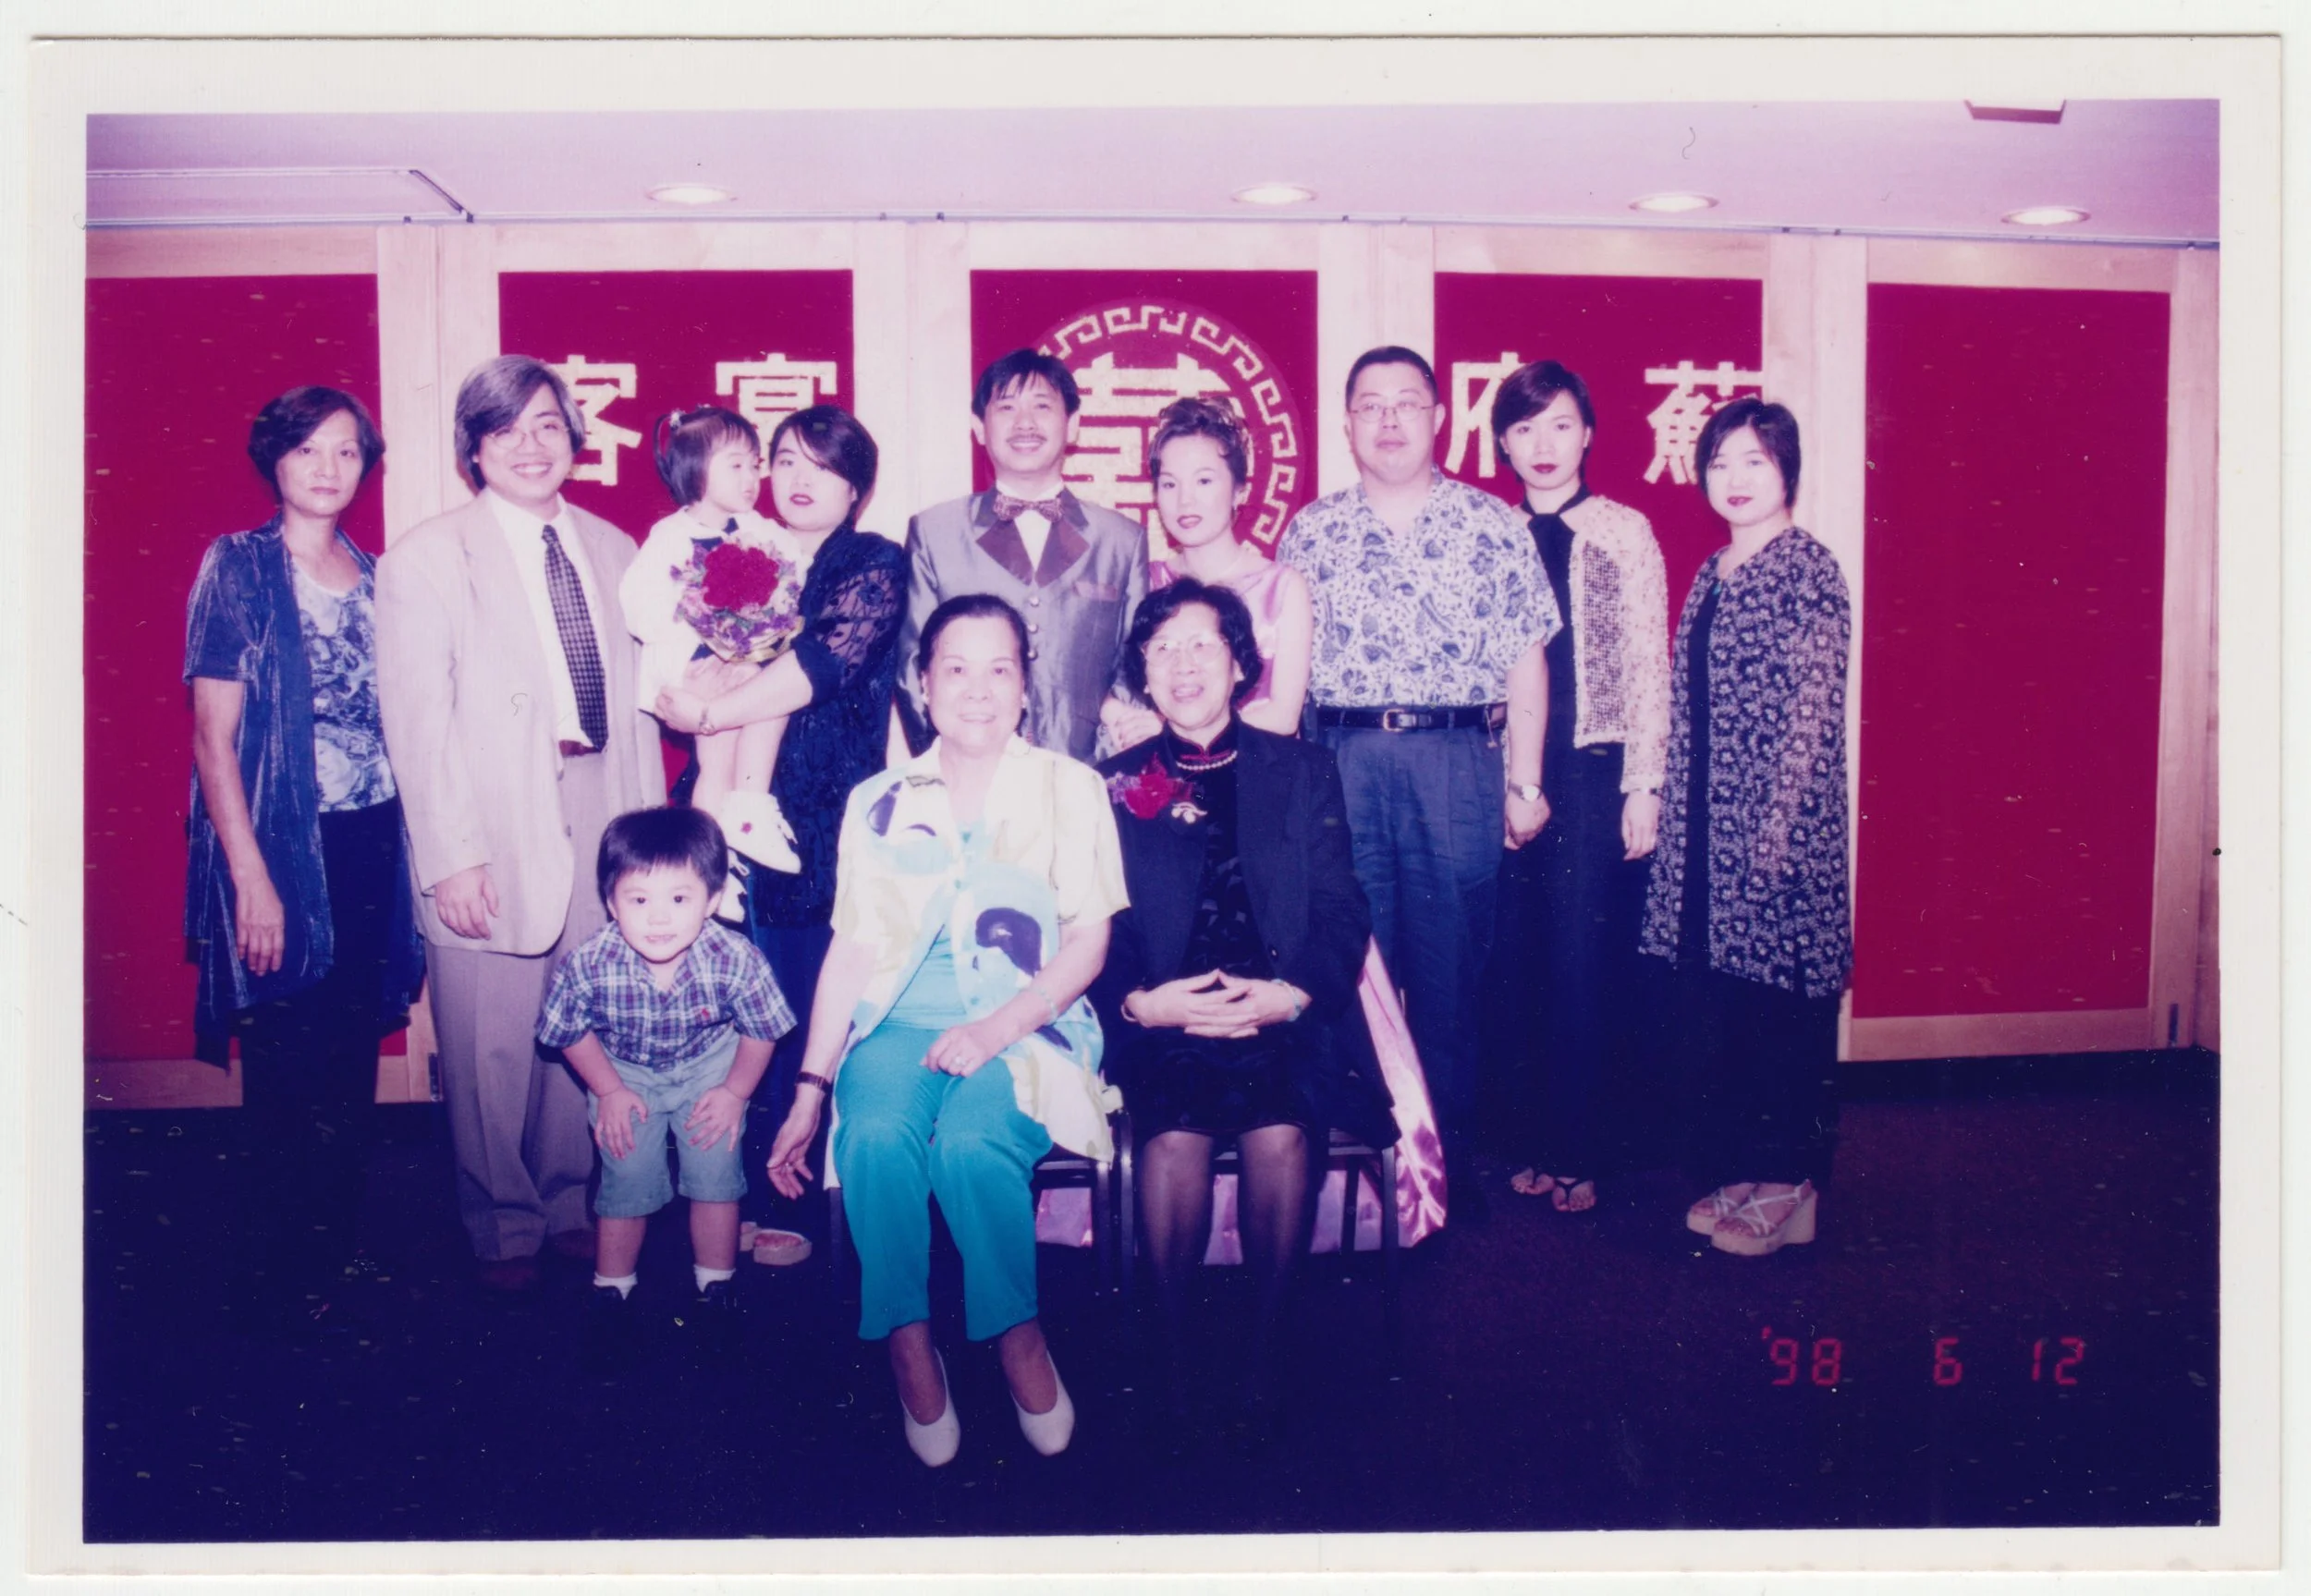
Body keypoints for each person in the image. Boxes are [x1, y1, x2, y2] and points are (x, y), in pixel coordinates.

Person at [763, 595, 1125, 1467]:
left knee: (969, 1145)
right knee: (879, 1137)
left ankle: (1016, 1333)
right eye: (954, 668)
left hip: (1029, 1022)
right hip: (898, 1024)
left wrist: (996, 1027)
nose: (977, 688)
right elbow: (852, 951)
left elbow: (1089, 942)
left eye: (999, 668)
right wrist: (810, 1089)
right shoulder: (878, 799)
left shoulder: (1068, 787)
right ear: (924, 687)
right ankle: (908, 1339)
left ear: (1025, 689)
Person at [375, 354, 667, 1295]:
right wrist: (451, 858)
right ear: (473, 449)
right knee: (490, 1037)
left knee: (578, 1013)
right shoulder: (430, 553)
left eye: (548, 424)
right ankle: (500, 1221)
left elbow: (646, 704)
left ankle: (568, 1199)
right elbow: (417, 725)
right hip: (490, 813)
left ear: (575, 436)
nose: (530, 446)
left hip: (603, 800)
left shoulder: (616, 547)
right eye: (505, 430)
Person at [1091, 579, 1394, 1435]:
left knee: (1280, 1126)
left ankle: (1267, 1344)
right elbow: (1092, 922)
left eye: (1202, 646)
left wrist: (1290, 994)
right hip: (1164, 1010)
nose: (1183, 665)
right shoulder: (1112, 782)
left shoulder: (1300, 768)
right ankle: (1175, 1352)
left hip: (1281, 1007)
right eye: (1162, 650)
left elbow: (1343, 907)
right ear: (1142, 674)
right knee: (1176, 1130)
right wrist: (1145, 1005)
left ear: (1238, 664)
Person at [1277, 346, 1561, 1215]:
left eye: (1408, 403)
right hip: (1344, 763)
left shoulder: (1491, 524)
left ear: (1440, 417)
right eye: (1371, 404)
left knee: (1447, 976)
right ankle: (1361, 1175)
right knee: (1352, 969)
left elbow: (1526, 660)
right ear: (1349, 422)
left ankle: (1445, 1170)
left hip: (1454, 764)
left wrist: (1525, 783)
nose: (1390, 419)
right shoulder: (1312, 529)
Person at [183, 385, 426, 1335]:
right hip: (284, 844)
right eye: (308, 450)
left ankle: (334, 1237)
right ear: (274, 460)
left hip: (371, 840)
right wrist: (251, 877)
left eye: (347, 452)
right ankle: (280, 1266)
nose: (328, 468)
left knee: (348, 1057)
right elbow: (212, 738)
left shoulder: (372, 571)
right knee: (288, 1059)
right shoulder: (238, 565)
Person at [648, 404, 908, 1260]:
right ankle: (727, 1189)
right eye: (786, 460)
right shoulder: (741, 549)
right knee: (725, 997)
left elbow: (826, 665)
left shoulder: (869, 562)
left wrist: (717, 707)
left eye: (822, 467)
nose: (799, 479)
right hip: (724, 806)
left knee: (798, 999)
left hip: (818, 811)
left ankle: (794, 1189)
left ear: (856, 486)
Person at [1640, 396, 1852, 1257]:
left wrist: (1775, 834)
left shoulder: (1810, 568)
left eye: (1754, 461)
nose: (1735, 477)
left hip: (1777, 835)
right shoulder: (1711, 571)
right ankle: (1743, 1171)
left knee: (1781, 1013)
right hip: (1704, 835)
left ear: (1786, 473)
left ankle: (1794, 1188)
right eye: (1721, 461)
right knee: (1725, 1009)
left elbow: (1812, 713)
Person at [1483, 361, 1670, 1213]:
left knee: (1582, 963)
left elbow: (1646, 664)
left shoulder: (1624, 530)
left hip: (1595, 769)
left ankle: (1582, 1147)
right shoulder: (1489, 532)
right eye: (1523, 429)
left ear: (1588, 432)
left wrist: (1646, 781)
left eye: (1560, 424)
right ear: (1502, 443)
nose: (1543, 445)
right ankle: (1530, 1137)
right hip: (1506, 771)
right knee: (1517, 960)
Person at [535, 807, 794, 1361]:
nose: (659, 919)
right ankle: (612, 1293)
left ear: (712, 897)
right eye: (638, 899)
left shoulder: (735, 958)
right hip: (624, 1071)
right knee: (625, 1176)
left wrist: (734, 1093)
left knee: (714, 1173)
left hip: (711, 1068)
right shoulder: (589, 963)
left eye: (679, 899)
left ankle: (716, 1286)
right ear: (611, 902)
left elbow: (761, 1033)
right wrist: (607, 1090)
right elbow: (566, 1032)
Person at [893, 347, 1148, 763]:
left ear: (1074, 425)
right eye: (1006, 407)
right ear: (979, 427)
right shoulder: (934, 533)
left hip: (1087, 775)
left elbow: (1133, 665)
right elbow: (912, 666)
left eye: (1042, 407)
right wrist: (950, 768)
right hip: (968, 773)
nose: (1024, 423)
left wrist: (1104, 768)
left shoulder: (1122, 540)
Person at [619, 405, 803, 906]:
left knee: (770, 698)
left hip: (747, 660)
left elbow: (796, 571)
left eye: (754, 464)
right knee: (715, 759)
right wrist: (699, 612)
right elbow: (639, 607)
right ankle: (710, 870)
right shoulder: (669, 537)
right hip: (693, 667)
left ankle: (748, 813)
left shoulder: (759, 528)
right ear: (696, 470)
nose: (752, 478)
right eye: (736, 465)